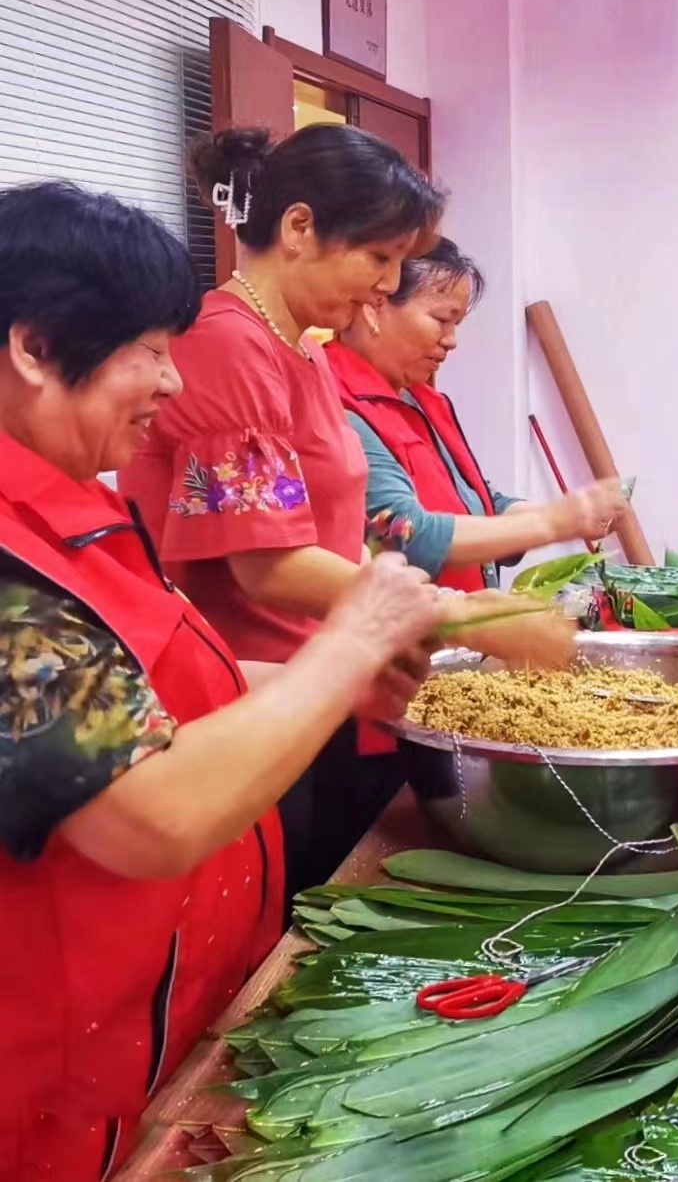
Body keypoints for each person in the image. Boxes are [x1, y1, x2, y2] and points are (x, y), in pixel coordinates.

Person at [0, 182, 442, 1178]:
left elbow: (140, 689)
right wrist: (341, 648)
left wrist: (328, 678)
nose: (168, 381)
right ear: (33, 346)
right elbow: (143, 810)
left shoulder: (74, 507)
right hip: (51, 1101)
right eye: (147, 350)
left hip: (152, 1039)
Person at [120, 126, 569, 900]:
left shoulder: (302, 348)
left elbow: (328, 534)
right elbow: (267, 563)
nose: (385, 284)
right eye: (378, 258)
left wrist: (434, 612)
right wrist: (458, 615)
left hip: (318, 687)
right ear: (299, 229)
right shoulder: (230, 346)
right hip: (248, 696)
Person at [327, 237, 626, 590]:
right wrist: (552, 522)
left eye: (457, 325)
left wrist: (575, 512)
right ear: (375, 307)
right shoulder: (335, 400)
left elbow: (477, 502)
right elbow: (400, 531)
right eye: (441, 319)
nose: (451, 340)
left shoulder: (426, 401)